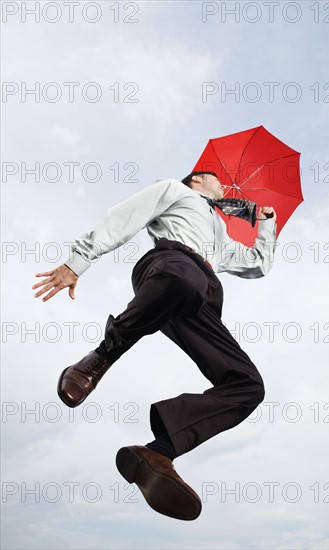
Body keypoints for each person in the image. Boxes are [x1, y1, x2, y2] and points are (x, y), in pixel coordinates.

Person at [32, 171, 277, 521]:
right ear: (198, 180)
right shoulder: (176, 191)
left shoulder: (220, 231)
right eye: (217, 181)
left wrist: (266, 225)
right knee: (184, 279)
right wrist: (78, 262)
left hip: (202, 297)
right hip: (168, 265)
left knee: (249, 386)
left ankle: (159, 454)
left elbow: (258, 265)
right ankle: (101, 357)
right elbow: (125, 216)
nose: (224, 188)